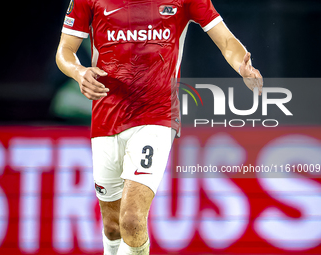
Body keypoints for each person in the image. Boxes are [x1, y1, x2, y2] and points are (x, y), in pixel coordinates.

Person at [56, 0, 263, 254]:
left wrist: (241, 64)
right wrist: (79, 72)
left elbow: (226, 41)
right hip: (106, 116)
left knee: (131, 220)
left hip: (156, 115)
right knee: (112, 227)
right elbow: (65, 50)